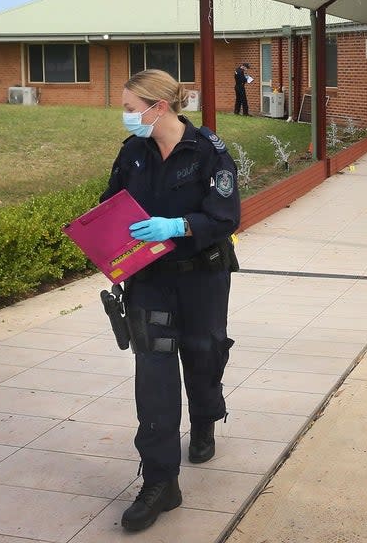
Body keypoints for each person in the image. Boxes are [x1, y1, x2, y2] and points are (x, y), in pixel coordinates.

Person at [103, 69, 241, 532]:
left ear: (157, 107)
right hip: (150, 282)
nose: (124, 116)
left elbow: (224, 216)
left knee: (203, 356)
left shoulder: (209, 153)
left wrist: (176, 226)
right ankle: (161, 482)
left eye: (129, 107)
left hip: (201, 277)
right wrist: (102, 241)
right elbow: (112, 205)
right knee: (155, 378)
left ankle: (205, 418)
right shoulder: (133, 153)